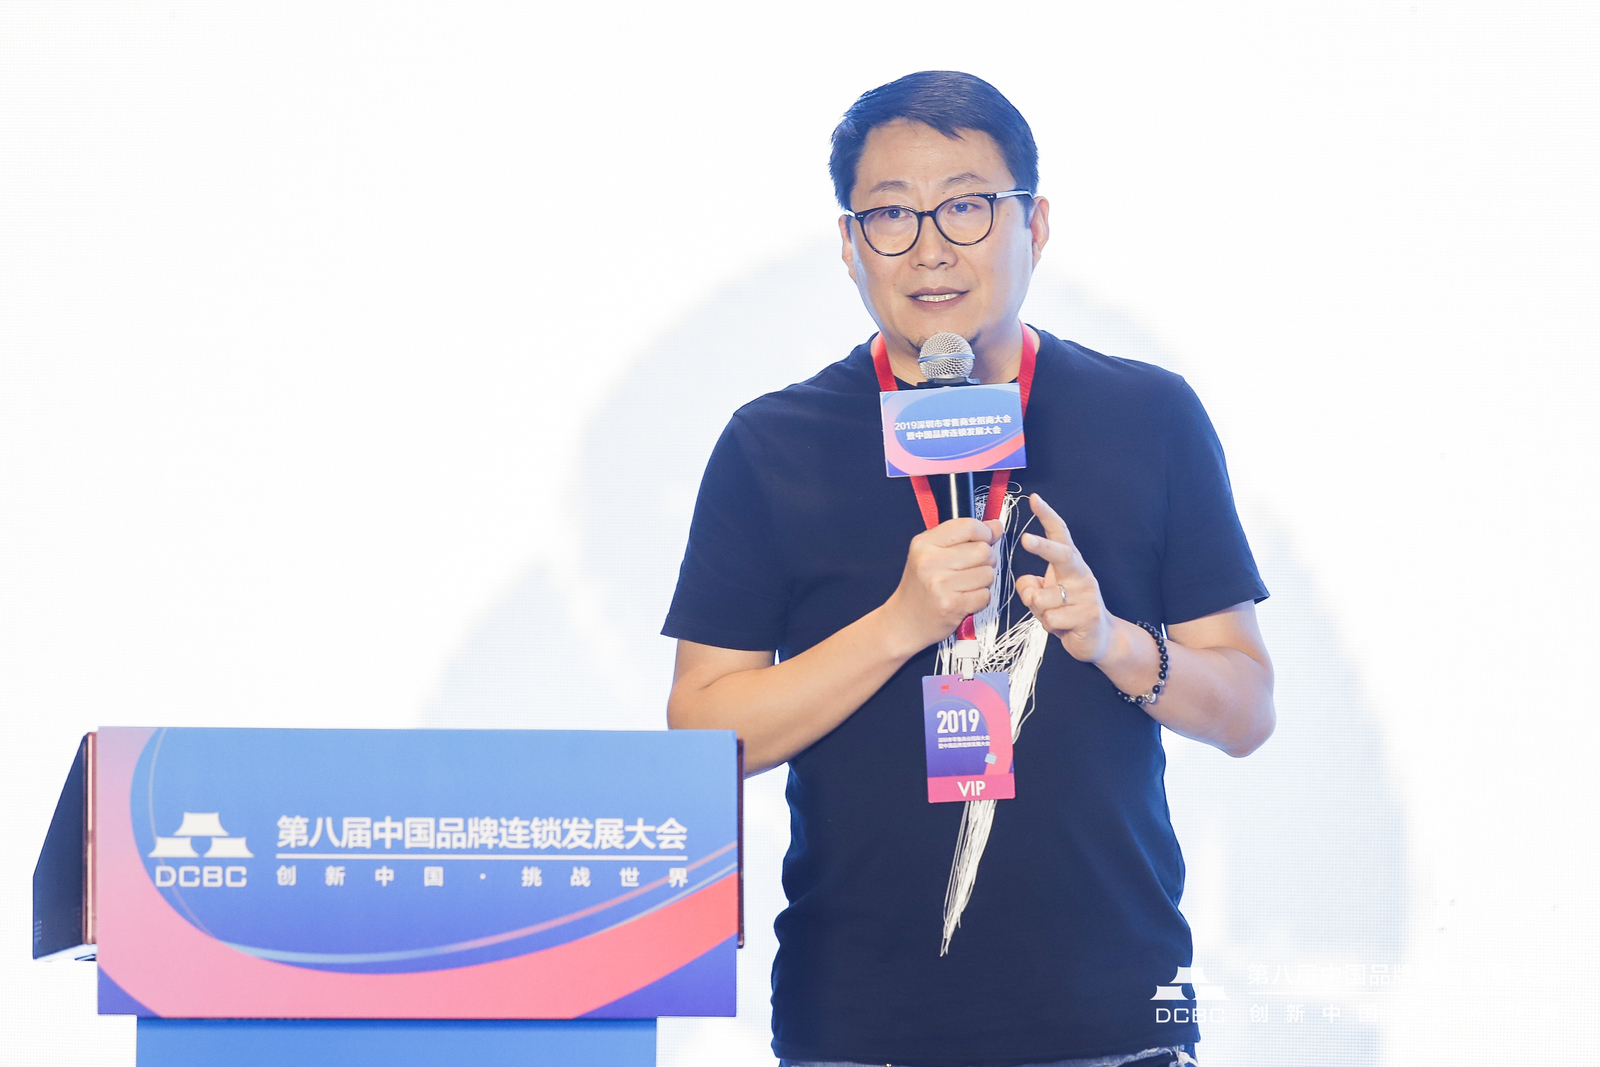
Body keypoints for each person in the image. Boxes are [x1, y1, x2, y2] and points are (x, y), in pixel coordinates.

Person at [663, 71, 1273, 1067]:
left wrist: (1111, 639)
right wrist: (898, 624)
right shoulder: (772, 444)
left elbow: (1247, 710)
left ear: (1035, 225)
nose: (930, 247)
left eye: (966, 206)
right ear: (850, 246)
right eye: (890, 215)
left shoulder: (1148, 415)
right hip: (857, 1025)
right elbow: (701, 733)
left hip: (1113, 1018)